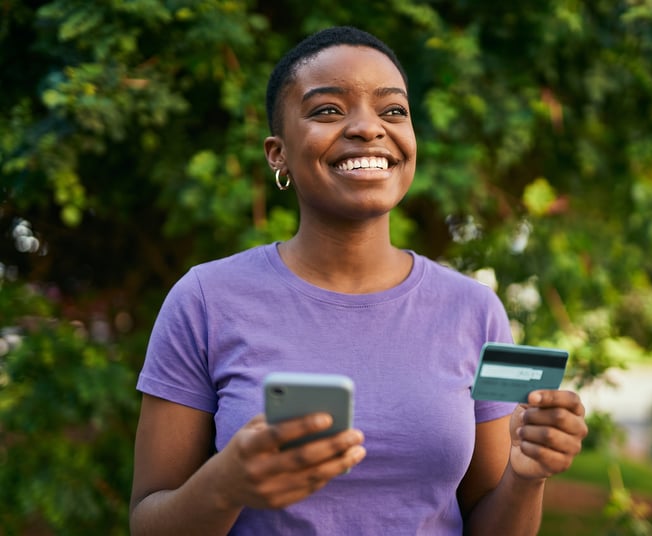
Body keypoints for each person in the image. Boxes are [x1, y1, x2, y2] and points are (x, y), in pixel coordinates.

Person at [129, 26, 587, 535]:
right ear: (277, 152)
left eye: (393, 111)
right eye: (328, 110)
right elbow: (148, 524)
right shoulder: (205, 300)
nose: (369, 128)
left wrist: (527, 476)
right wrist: (225, 484)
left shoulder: (474, 310)